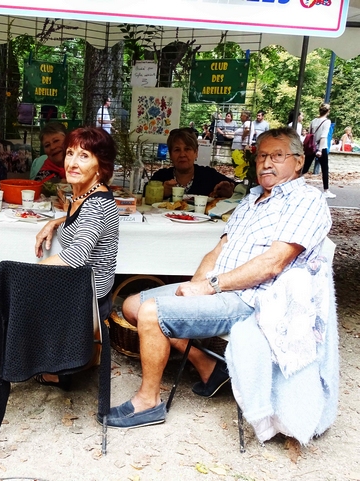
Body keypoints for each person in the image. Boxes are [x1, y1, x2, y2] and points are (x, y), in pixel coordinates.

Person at [104, 127, 331, 428]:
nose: (266, 163)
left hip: (254, 299)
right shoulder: (251, 200)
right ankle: (208, 365)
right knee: (132, 305)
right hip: (220, 290)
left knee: (151, 312)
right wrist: (194, 286)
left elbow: (273, 264)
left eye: (277, 156)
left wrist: (211, 286)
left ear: (299, 162)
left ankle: (149, 403)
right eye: (262, 156)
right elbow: (219, 248)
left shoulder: (304, 200)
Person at [34, 127, 120, 389]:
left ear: (100, 166)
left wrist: (30, 272)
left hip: (90, 298)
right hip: (85, 287)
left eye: (84, 156)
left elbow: (76, 255)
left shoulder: (95, 203)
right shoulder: (84, 195)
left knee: (18, 293)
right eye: (70, 153)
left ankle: (57, 370)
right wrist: (58, 221)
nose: (71, 162)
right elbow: (85, 221)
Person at [149, 128, 235, 199]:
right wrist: (160, 192)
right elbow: (142, 199)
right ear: (170, 155)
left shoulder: (209, 175)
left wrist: (228, 193)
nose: (182, 154)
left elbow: (240, 190)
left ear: (196, 152)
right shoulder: (160, 177)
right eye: (177, 150)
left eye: (187, 149)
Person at [303, 102, 335, 198]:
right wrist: (320, 150)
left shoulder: (313, 121)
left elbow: (310, 133)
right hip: (321, 147)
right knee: (325, 169)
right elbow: (323, 136)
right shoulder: (327, 121)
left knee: (305, 167)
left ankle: (295, 185)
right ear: (328, 111)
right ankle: (326, 190)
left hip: (311, 146)